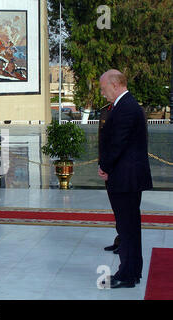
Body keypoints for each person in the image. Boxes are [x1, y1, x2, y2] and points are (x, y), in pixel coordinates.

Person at [98, 69, 152, 289]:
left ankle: (127, 274)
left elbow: (117, 143)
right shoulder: (126, 105)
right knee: (129, 227)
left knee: (127, 227)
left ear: (115, 84)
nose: (103, 93)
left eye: (103, 88)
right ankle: (132, 271)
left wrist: (105, 167)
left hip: (124, 178)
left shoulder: (126, 108)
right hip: (126, 177)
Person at [98, 103, 120, 254]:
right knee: (116, 207)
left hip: (121, 168)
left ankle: (125, 242)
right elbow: (102, 140)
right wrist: (102, 163)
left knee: (125, 209)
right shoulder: (105, 111)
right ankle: (120, 239)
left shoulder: (132, 109)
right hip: (107, 166)